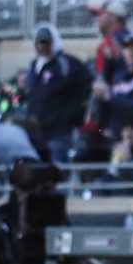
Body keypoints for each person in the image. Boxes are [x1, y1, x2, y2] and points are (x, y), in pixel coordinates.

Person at [24, 24, 90, 163]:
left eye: (45, 42)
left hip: (59, 132)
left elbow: (85, 89)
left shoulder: (67, 64)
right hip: (36, 132)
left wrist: (71, 118)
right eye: (39, 42)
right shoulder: (35, 65)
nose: (42, 46)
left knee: (56, 168)